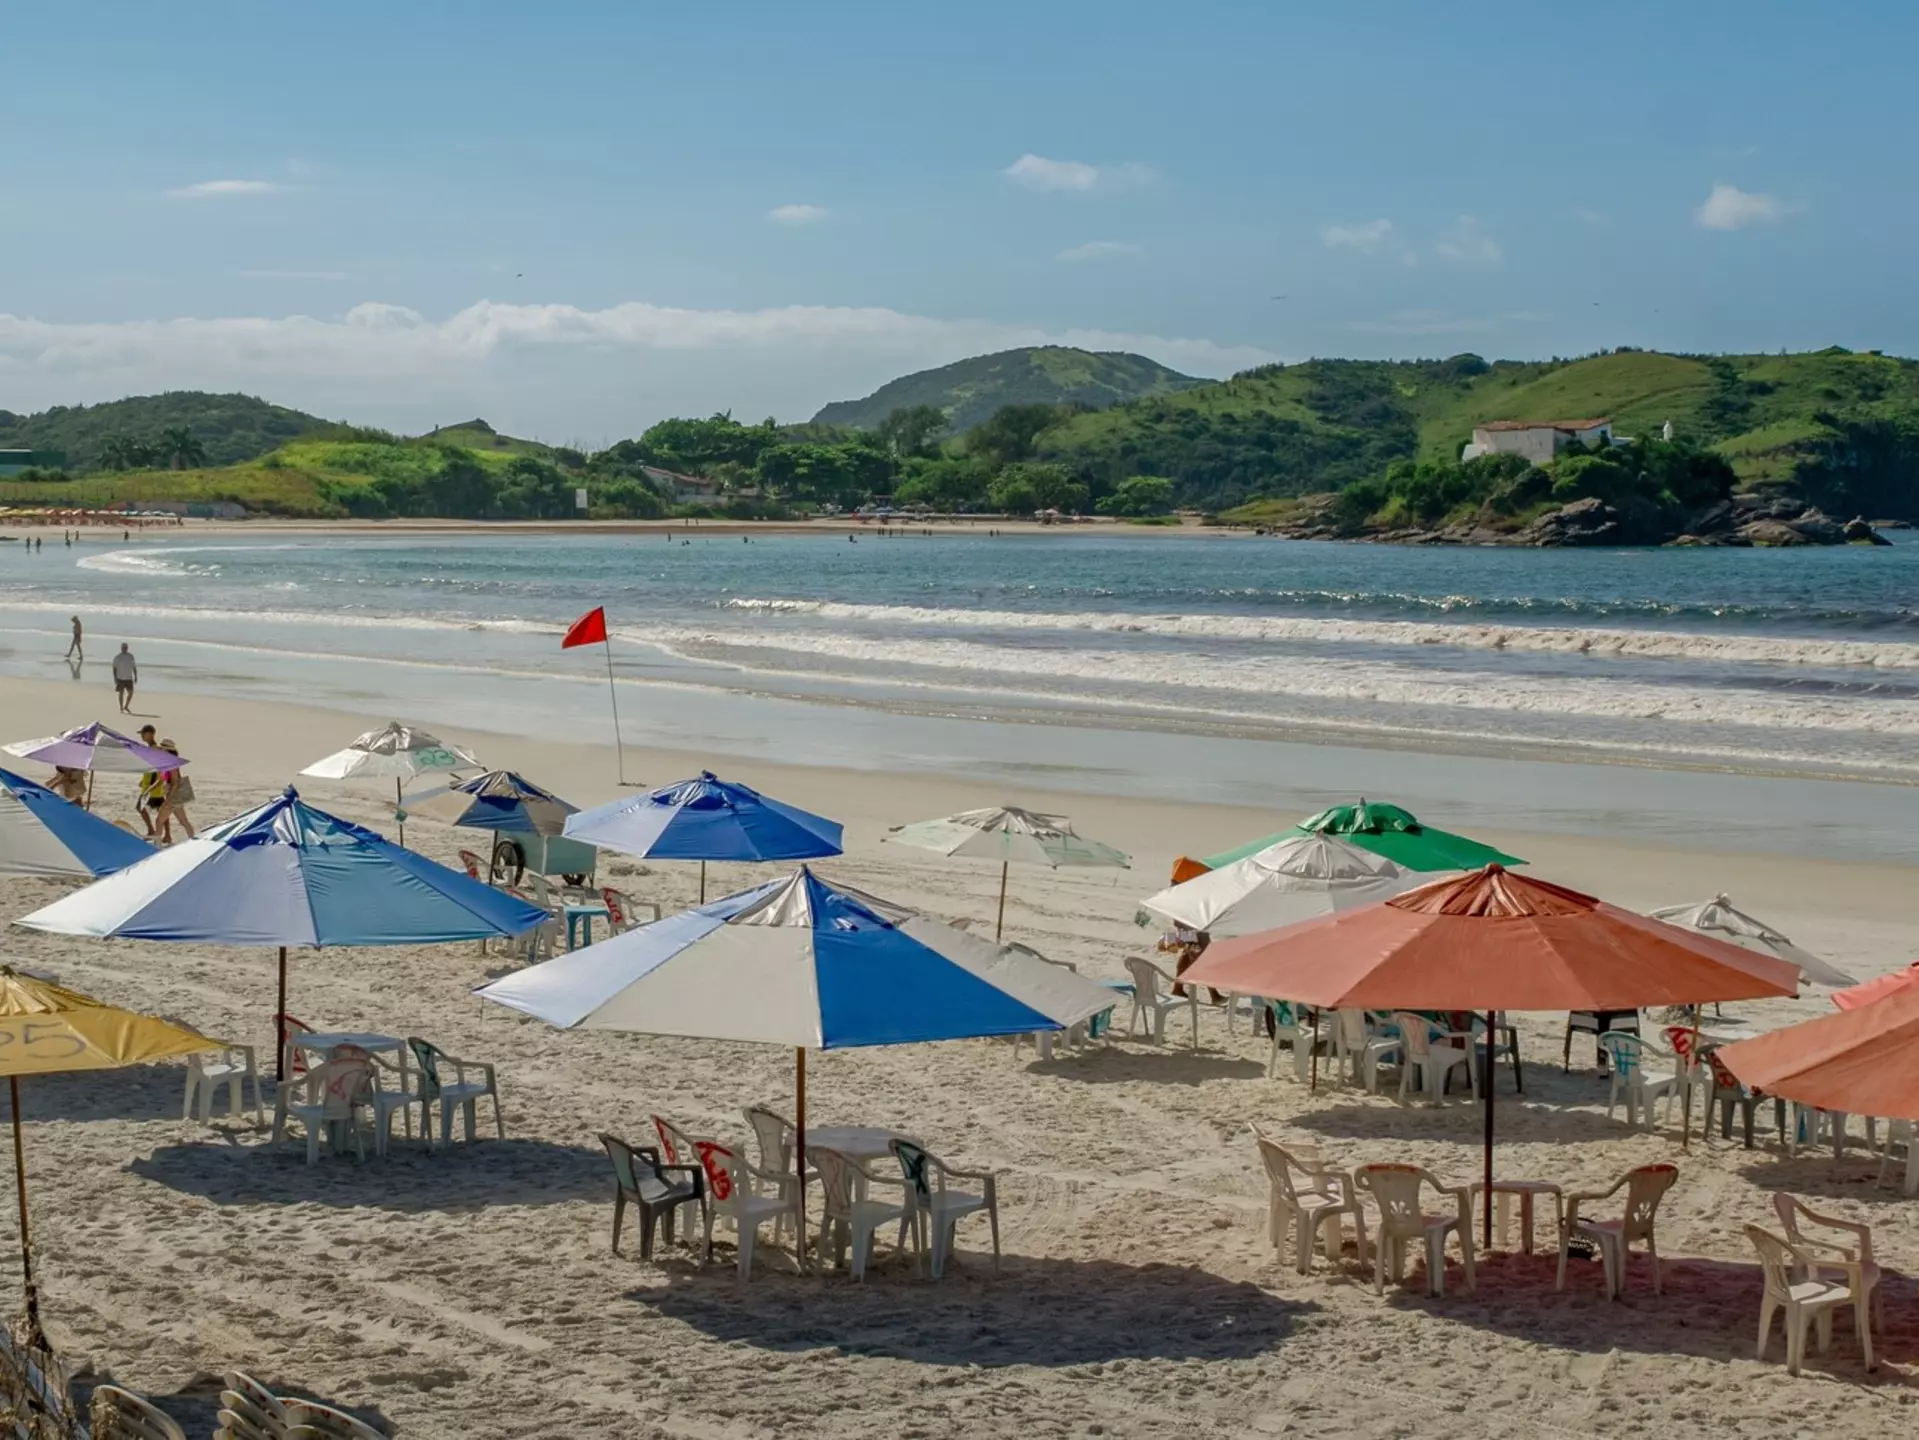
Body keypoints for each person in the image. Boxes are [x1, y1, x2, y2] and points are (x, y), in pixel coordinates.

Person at [156, 741, 194, 843]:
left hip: (173, 796)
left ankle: (156, 843)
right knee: (184, 821)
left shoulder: (171, 763)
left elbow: (175, 783)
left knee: (159, 820)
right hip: (176, 797)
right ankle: (194, 839)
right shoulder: (170, 762)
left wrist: (168, 800)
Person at [111, 643, 137, 712]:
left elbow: (134, 667)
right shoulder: (118, 657)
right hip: (120, 678)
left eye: (125, 647)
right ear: (121, 648)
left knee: (130, 692)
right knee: (121, 693)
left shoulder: (131, 656)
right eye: (123, 647)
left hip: (129, 678)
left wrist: (136, 676)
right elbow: (114, 668)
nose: (124, 649)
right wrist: (115, 678)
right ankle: (121, 707)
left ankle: (126, 706)